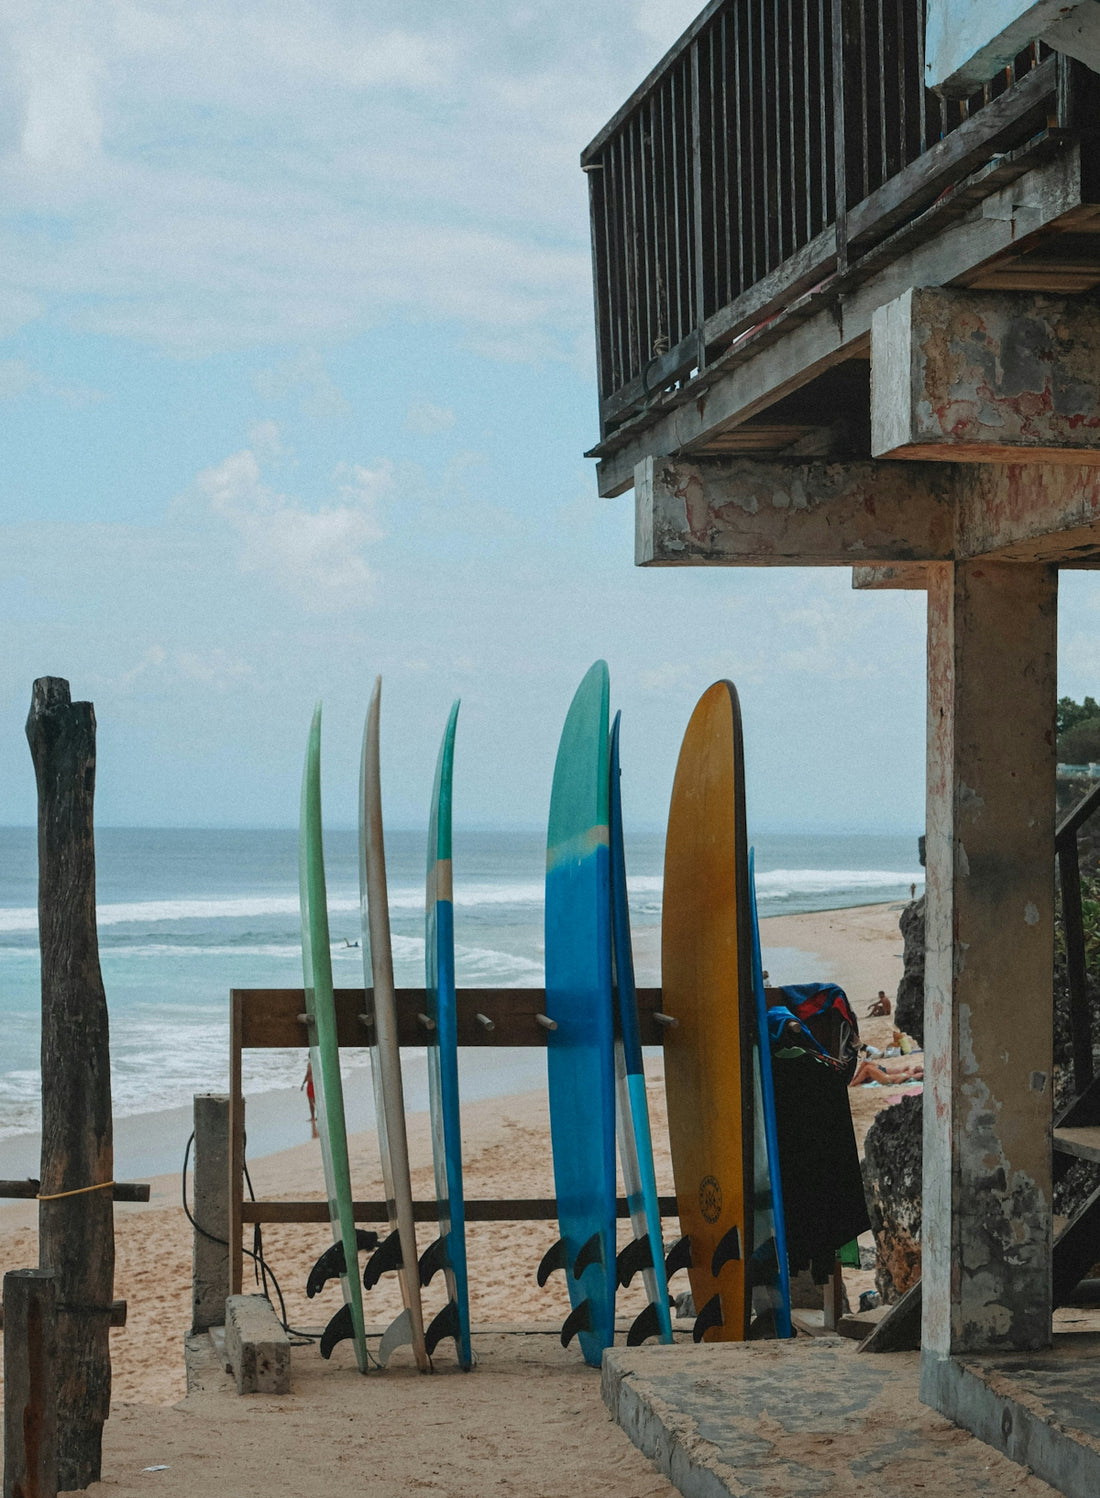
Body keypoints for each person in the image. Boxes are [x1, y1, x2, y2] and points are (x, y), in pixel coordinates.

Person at [301, 1060, 317, 1137]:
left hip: (312, 1084)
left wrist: (303, 1083)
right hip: (313, 1083)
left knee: (312, 1102)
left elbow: (308, 1073)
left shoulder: (310, 1063)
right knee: (314, 1101)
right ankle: (315, 1116)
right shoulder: (316, 1062)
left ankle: (313, 1117)